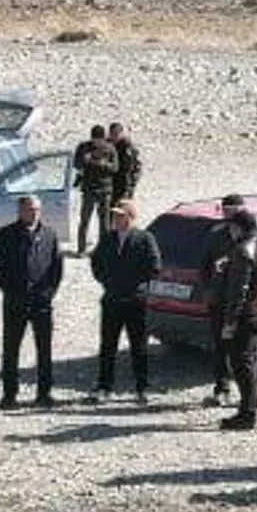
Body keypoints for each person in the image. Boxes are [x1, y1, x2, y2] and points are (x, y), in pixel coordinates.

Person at [199, 194, 257, 405]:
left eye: (234, 211)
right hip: (219, 301)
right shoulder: (216, 234)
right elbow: (204, 266)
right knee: (220, 348)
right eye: (226, 211)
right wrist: (208, 290)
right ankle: (222, 388)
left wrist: (251, 290)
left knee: (247, 354)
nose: (230, 216)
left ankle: (250, 396)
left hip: (246, 306)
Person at [0, 193, 63, 408]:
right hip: (15, 301)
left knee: (44, 349)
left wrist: (49, 292)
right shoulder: (6, 234)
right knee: (11, 349)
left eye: (37, 209)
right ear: (20, 211)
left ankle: (44, 393)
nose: (34, 213)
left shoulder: (49, 234)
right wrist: (9, 289)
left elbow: (57, 267)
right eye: (29, 209)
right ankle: (9, 395)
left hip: (42, 302)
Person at [88, 198, 160, 401]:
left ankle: (142, 387)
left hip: (135, 302)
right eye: (114, 215)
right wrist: (107, 282)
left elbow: (154, 266)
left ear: (131, 217)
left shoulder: (145, 238)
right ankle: (104, 386)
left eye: (120, 215)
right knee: (107, 346)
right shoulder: (108, 238)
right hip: (111, 300)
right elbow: (96, 263)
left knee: (139, 347)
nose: (116, 219)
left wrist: (136, 285)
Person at [213, 209, 257, 431]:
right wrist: (230, 266)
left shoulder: (243, 251)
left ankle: (247, 413)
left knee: (240, 363)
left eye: (232, 227)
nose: (230, 231)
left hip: (243, 316)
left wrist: (230, 322)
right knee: (252, 361)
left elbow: (239, 291)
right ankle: (251, 406)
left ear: (239, 228)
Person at [73, 124, 119, 255]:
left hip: (105, 190)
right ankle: (81, 249)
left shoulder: (110, 148)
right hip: (88, 189)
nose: (97, 143)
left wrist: (101, 164)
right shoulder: (84, 147)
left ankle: (103, 250)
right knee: (84, 220)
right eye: (95, 140)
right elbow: (76, 164)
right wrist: (85, 160)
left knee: (104, 223)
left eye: (99, 140)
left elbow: (115, 168)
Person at [107, 121, 142, 206]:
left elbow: (131, 169)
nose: (114, 137)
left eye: (116, 134)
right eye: (112, 134)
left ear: (121, 134)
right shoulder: (107, 144)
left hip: (125, 183)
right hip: (111, 183)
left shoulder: (127, 147)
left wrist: (130, 187)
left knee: (122, 207)